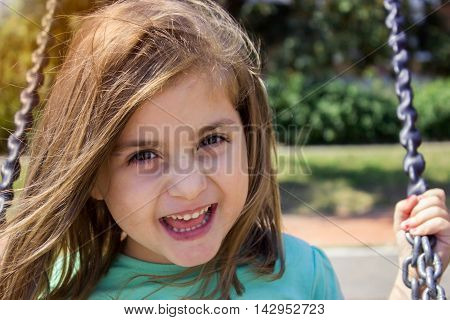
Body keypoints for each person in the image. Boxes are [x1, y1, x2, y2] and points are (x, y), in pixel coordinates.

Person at [0, 0, 448, 300]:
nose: (191, 186)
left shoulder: (301, 274)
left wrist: (413, 287)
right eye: (143, 155)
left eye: (212, 140)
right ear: (94, 176)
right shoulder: (52, 288)